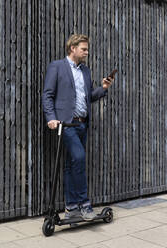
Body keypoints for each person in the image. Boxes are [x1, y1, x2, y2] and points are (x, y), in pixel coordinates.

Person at [42, 34, 113, 220]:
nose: (87, 52)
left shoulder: (86, 71)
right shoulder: (57, 67)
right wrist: (51, 117)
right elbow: (47, 95)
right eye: (84, 49)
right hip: (66, 124)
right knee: (79, 158)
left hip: (82, 124)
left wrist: (103, 88)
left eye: (87, 49)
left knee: (71, 164)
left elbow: (88, 96)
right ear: (72, 48)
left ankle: (71, 207)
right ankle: (84, 204)